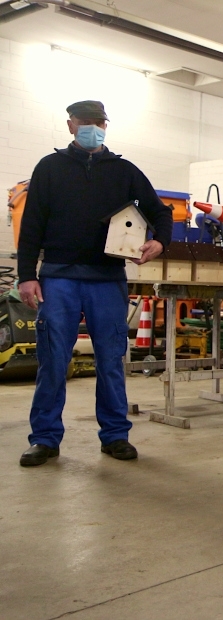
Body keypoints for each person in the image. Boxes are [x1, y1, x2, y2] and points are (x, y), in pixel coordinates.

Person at [17, 100, 173, 466]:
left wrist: (159, 241)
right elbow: (32, 225)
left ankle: (115, 435)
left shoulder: (124, 171)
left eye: (99, 122)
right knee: (53, 359)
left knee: (110, 358)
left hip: (107, 280)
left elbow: (160, 211)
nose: (93, 128)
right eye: (86, 122)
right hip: (58, 278)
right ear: (70, 125)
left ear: (106, 125)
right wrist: (27, 276)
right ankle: (45, 438)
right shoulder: (49, 168)